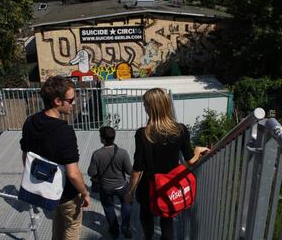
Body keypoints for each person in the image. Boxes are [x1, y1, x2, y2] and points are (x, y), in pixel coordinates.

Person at [125, 88, 209, 240]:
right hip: (169, 185)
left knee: (146, 216)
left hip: (149, 186)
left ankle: (148, 237)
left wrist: (129, 193)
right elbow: (190, 161)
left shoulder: (142, 134)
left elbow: (138, 168)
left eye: (145, 105)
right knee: (167, 220)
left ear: (151, 108)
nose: (144, 108)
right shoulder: (180, 129)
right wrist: (197, 151)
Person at [20, 76, 90, 240]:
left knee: (58, 225)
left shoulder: (30, 122)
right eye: (71, 100)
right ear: (58, 101)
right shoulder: (64, 131)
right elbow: (73, 173)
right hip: (66, 194)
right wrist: (84, 193)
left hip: (48, 190)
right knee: (72, 226)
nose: (73, 104)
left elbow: (26, 157)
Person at [88, 126, 133, 239]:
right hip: (122, 186)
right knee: (126, 204)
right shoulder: (123, 153)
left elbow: (91, 172)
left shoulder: (97, 154)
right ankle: (126, 227)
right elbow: (129, 171)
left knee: (108, 208)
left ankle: (114, 230)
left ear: (102, 139)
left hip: (106, 188)